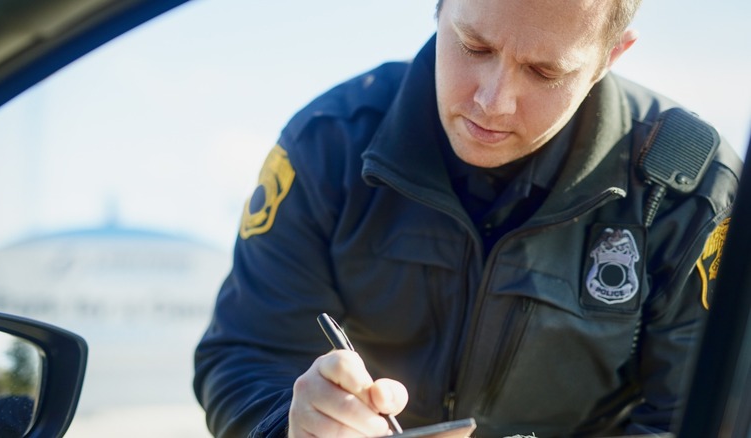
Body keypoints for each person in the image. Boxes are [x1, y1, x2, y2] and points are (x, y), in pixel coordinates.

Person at [194, 0, 741, 436]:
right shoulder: (328, 145)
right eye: (474, 46)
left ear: (610, 56)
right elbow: (245, 353)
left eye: (545, 71)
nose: (493, 100)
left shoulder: (691, 194)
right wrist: (290, 427)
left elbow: (706, 413)